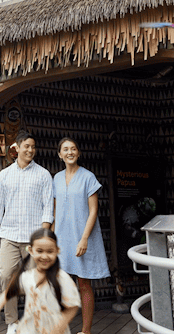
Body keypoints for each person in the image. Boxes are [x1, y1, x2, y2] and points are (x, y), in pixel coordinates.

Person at [0, 131, 55, 334]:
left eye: (33, 147)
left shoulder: (43, 174)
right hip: (9, 235)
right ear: (16, 148)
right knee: (7, 276)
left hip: (34, 238)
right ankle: (13, 322)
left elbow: (47, 208)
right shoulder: (4, 175)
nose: (30, 150)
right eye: (27, 146)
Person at [52, 137, 109, 334]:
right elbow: (55, 210)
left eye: (73, 149)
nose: (70, 152)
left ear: (79, 153)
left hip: (83, 237)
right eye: (65, 149)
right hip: (61, 239)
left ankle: (86, 331)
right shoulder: (56, 179)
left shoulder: (88, 177)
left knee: (84, 284)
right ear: (60, 155)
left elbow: (93, 211)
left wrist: (84, 238)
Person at [0, 228, 81, 334]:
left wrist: (59, 327)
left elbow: (73, 306)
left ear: (57, 250)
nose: (44, 256)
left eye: (50, 251)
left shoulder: (62, 278)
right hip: (30, 329)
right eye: (39, 251)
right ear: (30, 250)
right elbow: (7, 293)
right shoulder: (27, 277)